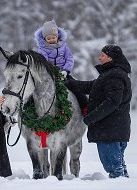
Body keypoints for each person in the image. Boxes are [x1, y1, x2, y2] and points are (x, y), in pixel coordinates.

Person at [65, 44, 132, 178]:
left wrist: (91, 117)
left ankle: (119, 185)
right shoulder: (112, 73)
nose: (99, 58)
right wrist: (69, 83)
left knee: (114, 168)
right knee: (118, 165)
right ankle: (123, 182)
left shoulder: (114, 76)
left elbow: (112, 102)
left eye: (102, 55)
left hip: (110, 131)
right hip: (114, 129)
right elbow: (92, 86)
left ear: (110, 58)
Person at [34, 20, 88, 115]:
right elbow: (44, 62)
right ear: (44, 38)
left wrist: (65, 71)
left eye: (53, 37)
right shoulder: (42, 49)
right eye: (48, 38)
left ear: (57, 36)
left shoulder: (64, 47)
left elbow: (69, 58)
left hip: (64, 73)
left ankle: (85, 107)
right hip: (49, 75)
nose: (51, 40)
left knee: (76, 86)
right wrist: (52, 72)